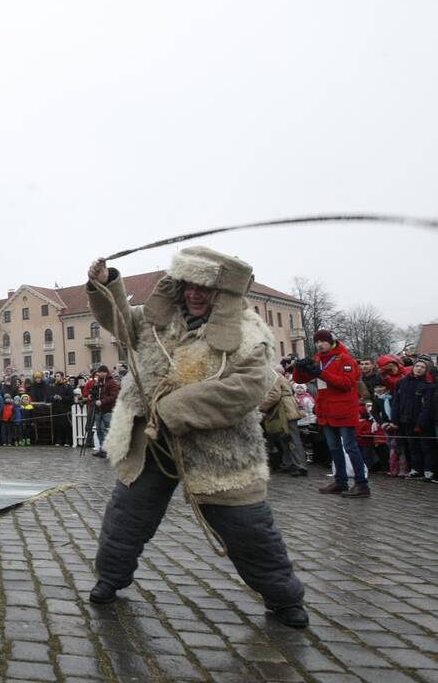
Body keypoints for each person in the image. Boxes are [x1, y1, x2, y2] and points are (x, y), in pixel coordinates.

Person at [85, 249, 308, 629]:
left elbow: (248, 387)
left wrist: (175, 409)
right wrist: (106, 285)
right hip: (152, 440)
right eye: (189, 285)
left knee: (249, 528)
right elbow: (121, 325)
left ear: (222, 291)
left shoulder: (249, 332)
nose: (194, 294)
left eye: (205, 288)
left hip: (220, 447)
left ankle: (284, 599)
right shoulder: (161, 320)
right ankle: (110, 578)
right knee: (126, 517)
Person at [293, 330, 370, 497]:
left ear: (331, 342)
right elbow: (300, 380)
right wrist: (298, 368)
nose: (320, 344)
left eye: (323, 341)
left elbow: (346, 383)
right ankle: (340, 481)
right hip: (327, 411)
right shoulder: (319, 359)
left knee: (350, 448)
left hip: (344, 411)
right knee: (334, 448)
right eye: (317, 341)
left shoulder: (344, 358)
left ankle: (361, 484)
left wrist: (320, 373)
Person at [390, 359, 434, 480]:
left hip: (422, 422)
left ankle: (428, 470)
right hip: (406, 420)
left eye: (422, 367)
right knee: (412, 446)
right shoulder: (402, 382)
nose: (419, 369)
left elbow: (427, 406)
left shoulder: (428, 386)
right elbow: (396, 402)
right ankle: (415, 469)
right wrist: (395, 420)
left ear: (426, 370)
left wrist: (421, 422)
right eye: (417, 366)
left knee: (426, 447)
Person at [91, 365, 119, 458]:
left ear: (105, 372)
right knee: (99, 430)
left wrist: (102, 401)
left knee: (108, 430)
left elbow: (113, 396)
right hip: (99, 410)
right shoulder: (98, 382)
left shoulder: (112, 383)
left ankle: (110, 450)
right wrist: (93, 397)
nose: (98, 374)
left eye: (100, 372)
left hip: (108, 410)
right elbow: (96, 394)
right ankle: (103, 449)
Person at [49, 371, 73, 445]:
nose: (57, 377)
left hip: (65, 408)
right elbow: (49, 397)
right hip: (56, 408)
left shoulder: (67, 386)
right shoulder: (53, 386)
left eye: (58, 376)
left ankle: (67, 440)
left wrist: (62, 398)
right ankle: (59, 440)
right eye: (56, 376)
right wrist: (53, 397)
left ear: (62, 377)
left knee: (66, 425)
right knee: (57, 425)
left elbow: (70, 397)